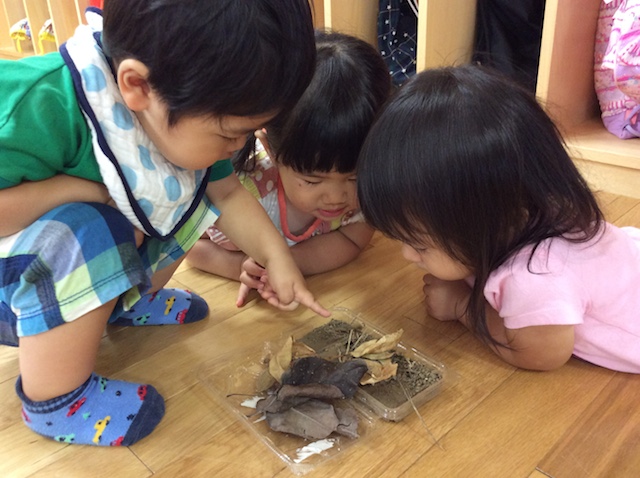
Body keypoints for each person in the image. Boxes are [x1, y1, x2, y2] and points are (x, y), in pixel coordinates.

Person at [0, 0, 328, 447]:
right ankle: (56, 398)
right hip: (17, 293)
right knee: (89, 228)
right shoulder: (38, 105)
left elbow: (227, 194)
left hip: (53, 267)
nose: (239, 146)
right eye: (230, 133)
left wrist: (277, 257)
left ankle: (125, 300)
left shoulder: (179, 104)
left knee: (192, 195)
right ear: (136, 85)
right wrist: (83, 190)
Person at [357, 64, 640, 373]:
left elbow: (542, 353)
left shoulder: (534, 277)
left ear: (490, 221)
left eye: (420, 244)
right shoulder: (530, 204)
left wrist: (461, 306)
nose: (408, 255)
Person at [187, 30, 391, 307]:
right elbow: (191, 246)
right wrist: (242, 267)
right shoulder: (244, 188)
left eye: (354, 177)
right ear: (270, 149)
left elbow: (352, 240)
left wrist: (286, 263)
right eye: (312, 180)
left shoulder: (371, 186)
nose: (336, 198)